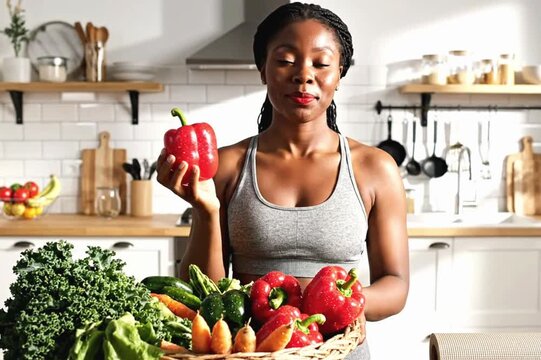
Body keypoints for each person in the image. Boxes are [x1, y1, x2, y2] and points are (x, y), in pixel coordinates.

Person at [157, 2, 409, 358]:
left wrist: (315, 312)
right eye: (286, 60)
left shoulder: (375, 168)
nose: (303, 74)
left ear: (339, 74)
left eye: (321, 63)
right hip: (251, 352)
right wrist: (206, 210)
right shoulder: (229, 165)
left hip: (339, 353)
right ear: (263, 70)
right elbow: (206, 297)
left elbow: (395, 286)